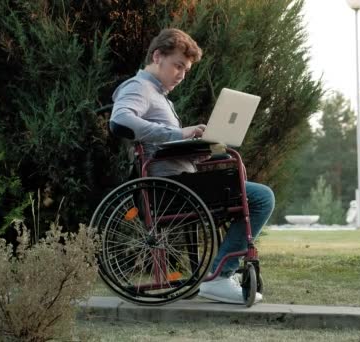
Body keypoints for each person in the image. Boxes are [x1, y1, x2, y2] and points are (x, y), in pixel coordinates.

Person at [110, 28, 275, 304]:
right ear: (157, 56)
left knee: (246, 187)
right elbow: (121, 121)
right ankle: (220, 277)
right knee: (260, 197)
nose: (181, 75)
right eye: (178, 66)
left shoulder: (159, 95)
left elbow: (163, 146)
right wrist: (179, 134)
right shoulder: (139, 87)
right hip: (168, 190)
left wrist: (197, 149)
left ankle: (223, 273)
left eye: (185, 70)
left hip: (180, 183)